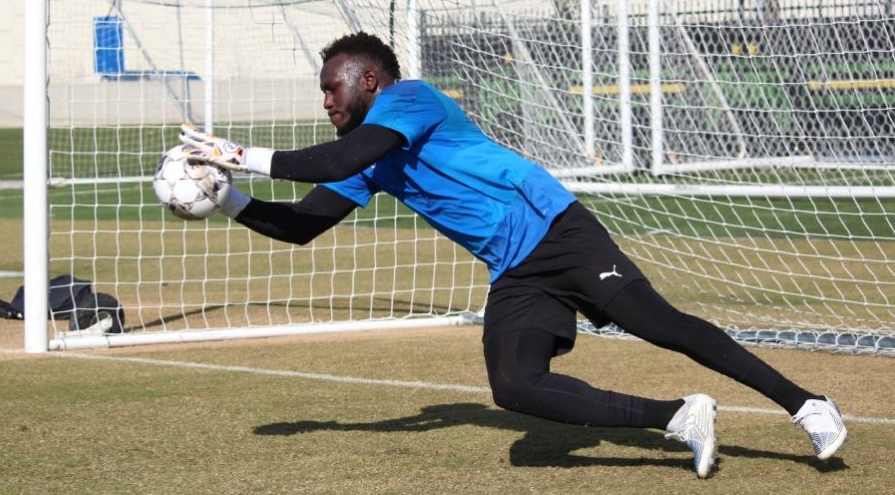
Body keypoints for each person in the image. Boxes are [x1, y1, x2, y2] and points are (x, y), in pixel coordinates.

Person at [179, 31, 847, 478]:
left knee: (663, 324)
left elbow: (343, 155)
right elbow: (304, 225)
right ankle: (678, 415)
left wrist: (236, 155)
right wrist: (226, 199)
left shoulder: (409, 100)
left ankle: (808, 404)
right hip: (516, 269)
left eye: (333, 88)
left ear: (371, 79)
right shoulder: (372, 152)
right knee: (515, 386)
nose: (326, 102)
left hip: (556, 229)